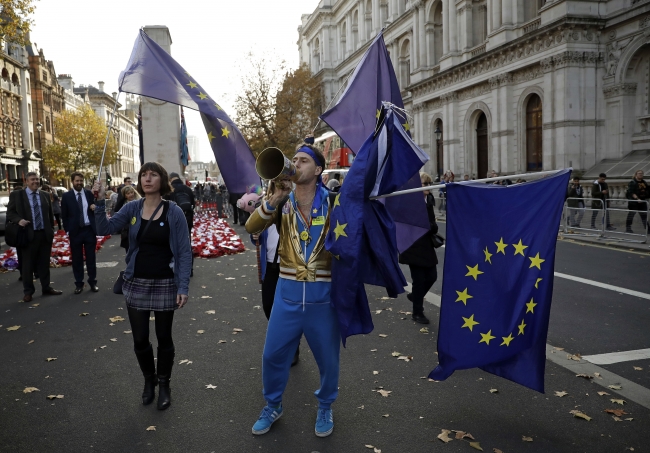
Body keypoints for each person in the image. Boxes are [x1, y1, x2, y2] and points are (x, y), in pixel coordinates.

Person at [245, 143, 339, 438]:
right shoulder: (281, 202)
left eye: (303, 160)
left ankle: (325, 405)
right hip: (286, 293)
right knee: (272, 355)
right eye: (293, 159)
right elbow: (251, 226)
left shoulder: (335, 201)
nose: (295, 164)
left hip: (322, 295)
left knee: (328, 359)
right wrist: (272, 200)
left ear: (319, 169)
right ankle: (273, 405)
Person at [93, 162, 192, 411]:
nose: (147, 179)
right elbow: (104, 228)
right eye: (144, 175)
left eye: (153, 175)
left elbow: (183, 251)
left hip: (165, 283)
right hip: (136, 282)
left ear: (162, 180)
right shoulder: (132, 207)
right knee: (140, 339)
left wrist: (183, 286)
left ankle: (164, 383)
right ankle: (149, 381)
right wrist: (97, 201)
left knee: (164, 336)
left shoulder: (174, 211)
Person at [6, 172, 62, 302]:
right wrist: (19, 220)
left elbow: (49, 215)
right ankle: (28, 292)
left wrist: (51, 231)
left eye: (37, 179)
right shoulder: (17, 195)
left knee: (44, 264)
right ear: (26, 181)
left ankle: (46, 287)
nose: (35, 181)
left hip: (43, 234)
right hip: (27, 235)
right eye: (32, 179)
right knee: (27, 266)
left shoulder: (45, 195)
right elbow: (10, 213)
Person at [399, 172, 439, 325]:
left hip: (427, 245)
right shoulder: (409, 202)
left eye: (429, 184)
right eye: (424, 184)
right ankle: (417, 312)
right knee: (419, 280)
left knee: (432, 276)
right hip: (413, 246)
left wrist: (431, 226)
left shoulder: (429, 200)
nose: (428, 186)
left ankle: (416, 295)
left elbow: (433, 225)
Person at [61, 172, 99, 294]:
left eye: (81, 181)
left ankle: (93, 282)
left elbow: (96, 209)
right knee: (77, 259)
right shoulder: (67, 196)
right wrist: (68, 230)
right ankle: (79, 283)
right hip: (75, 232)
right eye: (77, 181)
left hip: (88, 230)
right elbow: (64, 215)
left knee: (91, 258)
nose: (79, 183)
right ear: (72, 181)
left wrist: (95, 207)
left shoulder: (89, 194)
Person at [166, 172, 195, 276]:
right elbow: (193, 203)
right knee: (186, 243)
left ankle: (176, 267)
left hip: (174, 218)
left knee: (173, 243)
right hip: (187, 217)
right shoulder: (187, 188)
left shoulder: (169, 189)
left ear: (170, 179)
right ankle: (189, 269)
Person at [117, 186, 141, 251]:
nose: (131, 195)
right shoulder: (124, 204)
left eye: (131, 192)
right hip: (127, 231)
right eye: (128, 193)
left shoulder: (140, 202)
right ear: (125, 195)